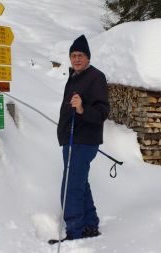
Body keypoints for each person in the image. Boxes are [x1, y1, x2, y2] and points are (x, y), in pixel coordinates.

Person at [56, 34, 110, 241]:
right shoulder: (75, 76)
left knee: (71, 185)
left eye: (80, 55)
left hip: (83, 141)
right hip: (72, 140)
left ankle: (75, 232)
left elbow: (102, 112)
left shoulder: (96, 77)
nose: (76, 59)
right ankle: (90, 225)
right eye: (73, 55)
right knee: (80, 183)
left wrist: (81, 109)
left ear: (88, 57)